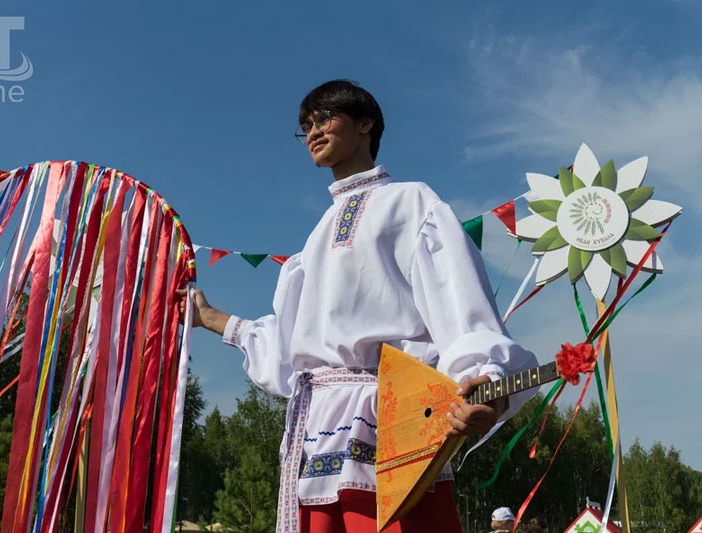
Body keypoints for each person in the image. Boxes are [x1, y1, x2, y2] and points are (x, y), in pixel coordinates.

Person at [180, 80, 537, 533]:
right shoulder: (314, 241)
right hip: (318, 437)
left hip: (389, 419)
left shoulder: (410, 203)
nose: (312, 131)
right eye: (305, 125)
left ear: (365, 123)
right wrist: (209, 318)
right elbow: (290, 350)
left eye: (324, 118)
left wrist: (486, 377)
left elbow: (458, 297)